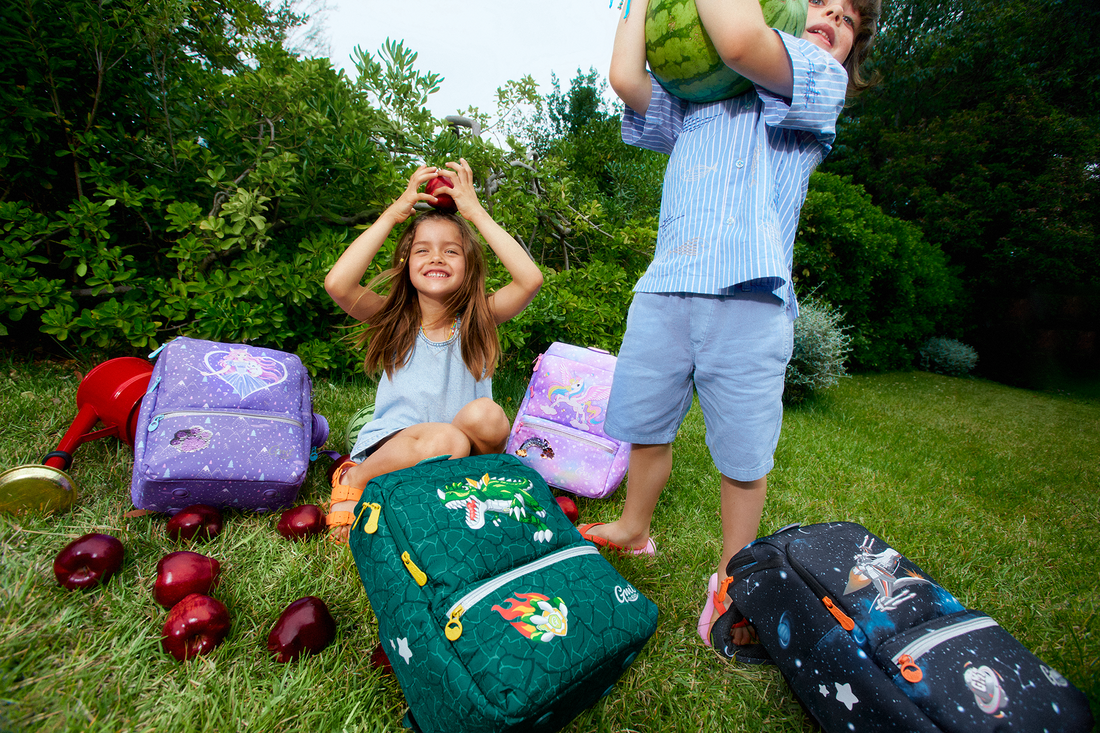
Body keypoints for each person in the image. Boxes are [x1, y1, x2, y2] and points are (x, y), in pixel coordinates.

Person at [579, 0, 880, 662]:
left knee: (742, 456)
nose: (832, 15)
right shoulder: (698, 99)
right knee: (646, 422)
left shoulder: (816, 80)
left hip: (750, 295)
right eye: (821, 1)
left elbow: (742, 40)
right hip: (666, 285)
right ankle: (633, 527)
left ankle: (732, 574)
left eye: (849, 18)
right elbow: (628, 80)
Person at [323, 159, 543, 542]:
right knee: (448, 440)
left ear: (470, 266)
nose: (437, 258)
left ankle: (462, 492)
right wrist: (394, 213)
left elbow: (530, 280)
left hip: (459, 459)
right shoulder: (395, 318)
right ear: (407, 263)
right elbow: (339, 285)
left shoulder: (478, 319)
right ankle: (355, 478)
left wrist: (475, 212)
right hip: (398, 450)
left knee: (488, 416)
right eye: (423, 251)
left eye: (452, 252)